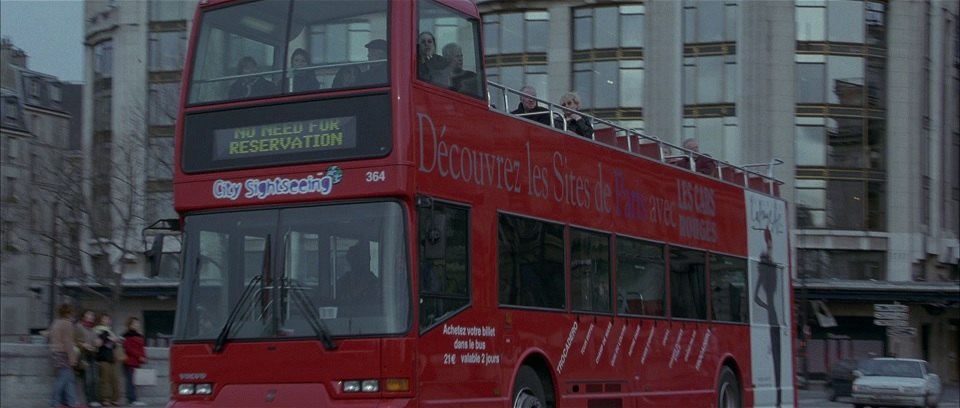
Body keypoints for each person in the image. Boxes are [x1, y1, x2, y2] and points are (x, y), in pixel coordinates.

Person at [754, 228, 782, 407]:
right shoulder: (771, 270)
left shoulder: (762, 274)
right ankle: (778, 400)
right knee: (777, 358)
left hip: (768, 315)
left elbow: (756, 298)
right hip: (775, 317)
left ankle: (777, 398)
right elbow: (771, 248)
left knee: (772, 358)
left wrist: (765, 307)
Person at [336, 243, 381, 316]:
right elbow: (339, 303)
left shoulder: (373, 283)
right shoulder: (343, 281)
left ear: (366, 260)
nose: (354, 263)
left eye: (358, 259)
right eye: (352, 259)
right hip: (344, 321)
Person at [49, 303, 79, 408]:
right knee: (63, 378)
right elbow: (68, 342)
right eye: (72, 312)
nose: (74, 314)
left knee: (69, 378)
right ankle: (55, 402)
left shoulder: (56, 322)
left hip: (55, 352)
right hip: (63, 353)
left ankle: (72, 401)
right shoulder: (67, 324)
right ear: (69, 313)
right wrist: (72, 358)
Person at [75, 309, 102, 407]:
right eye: (89, 315)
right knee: (88, 378)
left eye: (92, 315)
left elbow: (95, 341)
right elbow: (74, 341)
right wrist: (83, 345)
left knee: (95, 378)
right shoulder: (78, 326)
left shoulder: (92, 329)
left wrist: (98, 342)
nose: (91, 317)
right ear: (83, 316)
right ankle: (90, 400)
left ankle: (95, 399)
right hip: (83, 355)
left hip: (93, 355)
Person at [94, 313, 121, 406]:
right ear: (101, 320)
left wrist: (113, 341)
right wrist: (108, 338)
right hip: (103, 357)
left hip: (112, 358)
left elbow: (114, 345)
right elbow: (98, 343)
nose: (106, 321)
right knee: (105, 379)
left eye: (108, 319)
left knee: (115, 379)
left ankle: (115, 398)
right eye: (104, 319)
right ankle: (105, 399)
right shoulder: (98, 330)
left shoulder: (110, 331)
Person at [122, 317, 148, 406]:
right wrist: (139, 356)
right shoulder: (127, 335)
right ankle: (131, 399)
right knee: (130, 381)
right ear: (130, 325)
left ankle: (135, 398)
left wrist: (144, 357)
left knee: (136, 381)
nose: (136, 325)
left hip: (137, 362)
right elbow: (128, 349)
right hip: (130, 361)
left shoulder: (139, 335)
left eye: (137, 323)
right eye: (134, 323)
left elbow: (141, 348)